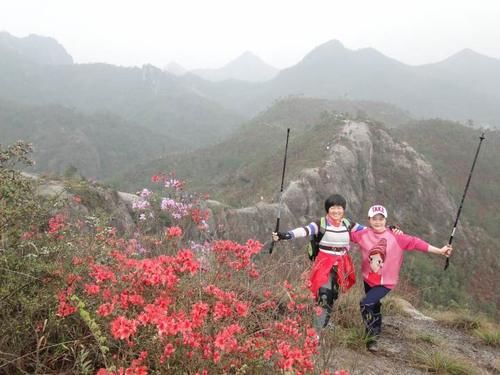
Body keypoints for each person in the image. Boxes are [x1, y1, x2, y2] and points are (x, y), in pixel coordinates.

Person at [272, 194, 400, 335]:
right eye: (333, 208)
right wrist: (286, 235)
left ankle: (323, 322)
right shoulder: (321, 224)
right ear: (328, 209)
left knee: (332, 295)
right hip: (324, 264)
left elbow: (370, 231)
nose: (336, 211)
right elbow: (305, 230)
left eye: (339, 208)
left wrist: (388, 229)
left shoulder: (347, 224)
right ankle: (316, 334)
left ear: (343, 210)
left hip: (341, 265)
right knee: (324, 295)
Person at [350, 204, 452, 351]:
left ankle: (371, 338)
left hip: (386, 282)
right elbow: (343, 232)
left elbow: (417, 243)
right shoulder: (363, 234)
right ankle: (376, 329)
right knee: (374, 304)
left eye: (381, 218)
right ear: (369, 220)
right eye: (374, 219)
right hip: (368, 279)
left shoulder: (396, 236)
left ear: (385, 220)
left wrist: (440, 251)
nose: (377, 222)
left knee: (365, 304)